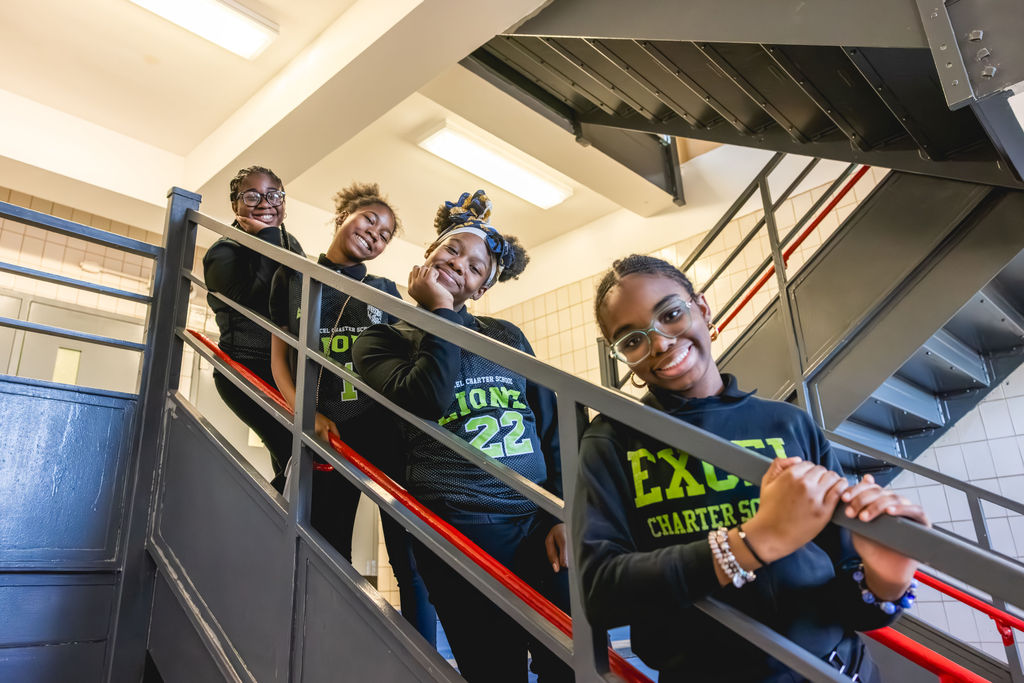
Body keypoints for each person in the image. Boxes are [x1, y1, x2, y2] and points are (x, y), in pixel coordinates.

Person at [575, 254, 930, 683]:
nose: (661, 343)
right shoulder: (612, 439)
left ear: (702, 309)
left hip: (839, 671)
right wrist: (753, 541)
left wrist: (885, 580)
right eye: (632, 340)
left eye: (671, 314)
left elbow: (849, 597)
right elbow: (602, 592)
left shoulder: (787, 423)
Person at [353, 191, 572, 683]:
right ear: (429, 254)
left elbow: (549, 427)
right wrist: (439, 313)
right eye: (453, 251)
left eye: (475, 267)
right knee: (495, 667)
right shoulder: (383, 338)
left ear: (480, 288)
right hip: (459, 528)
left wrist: (561, 510)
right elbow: (426, 397)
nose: (459, 266)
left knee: (569, 661)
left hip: (536, 524)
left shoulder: (508, 335)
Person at [267, 182, 436, 645]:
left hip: (382, 431)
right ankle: (326, 647)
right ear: (344, 213)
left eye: (385, 235)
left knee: (409, 558)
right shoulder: (295, 275)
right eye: (370, 221)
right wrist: (302, 412)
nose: (375, 235)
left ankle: (424, 660)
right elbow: (279, 353)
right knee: (326, 546)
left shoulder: (385, 291)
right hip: (327, 431)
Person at [203, 165, 304, 491]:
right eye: (252, 196)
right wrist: (267, 236)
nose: (265, 202)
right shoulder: (223, 252)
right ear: (236, 205)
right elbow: (262, 302)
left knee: (290, 460)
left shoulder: (291, 244)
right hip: (246, 369)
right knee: (296, 456)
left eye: (274, 195)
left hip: (290, 369)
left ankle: (289, 538)